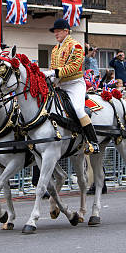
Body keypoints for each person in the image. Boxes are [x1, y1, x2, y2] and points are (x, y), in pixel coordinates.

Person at [43, 18, 99, 153]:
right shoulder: (55, 49)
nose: (56, 34)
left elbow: (74, 67)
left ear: (66, 31)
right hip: (60, 85)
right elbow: (53, 67)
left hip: (74, 84)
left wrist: (53, 72)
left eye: (58, 31)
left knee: (79, 109)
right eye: (54, 32)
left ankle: (93, 141)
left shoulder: (76, 46)